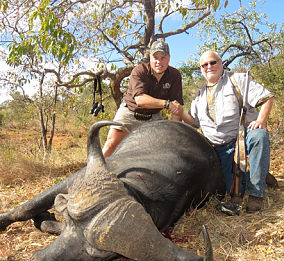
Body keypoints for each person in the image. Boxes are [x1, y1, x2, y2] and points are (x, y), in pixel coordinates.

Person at [178, 50, 274, 213]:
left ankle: (256, 193)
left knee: (259, 135)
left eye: (213, 62)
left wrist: (260, 121)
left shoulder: (238, 80)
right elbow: (193, 122)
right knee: (223, 191)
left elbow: (267, 98)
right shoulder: (199, 94)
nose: (209, 66)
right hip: (218, 149)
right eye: (205, 64)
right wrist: (179, 112)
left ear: (221, 62)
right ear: (201, 68)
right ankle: (257, 174)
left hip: (241, 139)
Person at [102, 40, 183, 158]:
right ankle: (92, 175)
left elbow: (176, 107)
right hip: (130, 112)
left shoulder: (175, 75)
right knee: (110, 147)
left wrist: (176, 135)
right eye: (155, 57)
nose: (158, 61)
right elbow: (140, 100)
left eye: (163, 57)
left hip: (153, 116)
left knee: (162, 150)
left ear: (169, 58)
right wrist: (167, 104)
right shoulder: (139, 71)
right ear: (150, 58)